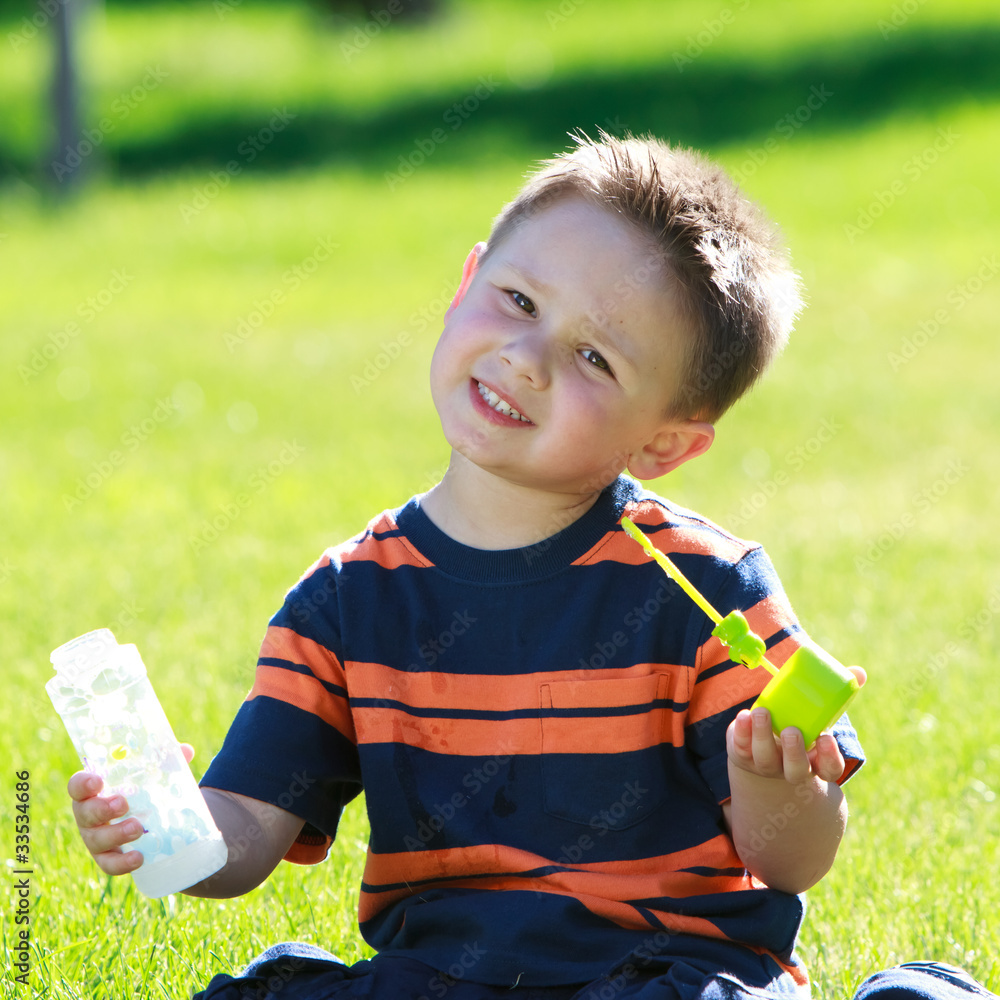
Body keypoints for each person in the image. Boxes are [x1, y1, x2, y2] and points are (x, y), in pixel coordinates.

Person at [67, 134, 996, 1000]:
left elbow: (793, 862)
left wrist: (779, 788)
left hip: (661, 973)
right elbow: (245, 833)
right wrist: (172, 831)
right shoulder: (344, 602)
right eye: (518, 302)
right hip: (445, 979)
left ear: (665, 444)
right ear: (470, 278)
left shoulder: (708, 588)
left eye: (595, 357)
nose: (528, 360)